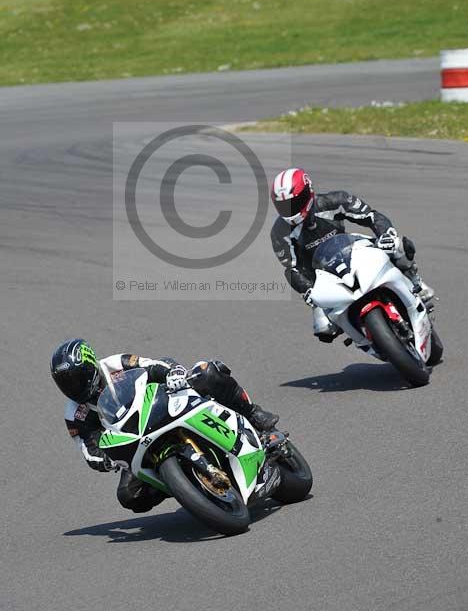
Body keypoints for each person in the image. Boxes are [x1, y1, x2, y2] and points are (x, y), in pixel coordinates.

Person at [51, 339, 279, 513]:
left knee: (208, 372)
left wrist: (174, 373)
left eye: (77, 378)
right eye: (65, 383)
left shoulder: (115, 364)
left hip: (162, 404)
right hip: (134, 440)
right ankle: (184, 485)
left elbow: (154, 365)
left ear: (91, 366)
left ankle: (253, 413)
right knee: (129, 496)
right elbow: (89, 450)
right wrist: (107, 460)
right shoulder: (74, 414)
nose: (73, 387)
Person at [270, 168, 435, 342]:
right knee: (324, 328)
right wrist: (308, 291)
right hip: (322, 277)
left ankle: (415, 281)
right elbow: (291, 268)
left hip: (351, 250)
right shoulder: (279, 232)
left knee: (399, 246)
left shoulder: (334, 201)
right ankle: (363, 334)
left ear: (308, 192)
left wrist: (387, 234)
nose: (290, 210)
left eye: (295, 202)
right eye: (283, 206)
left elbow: (371, 216)